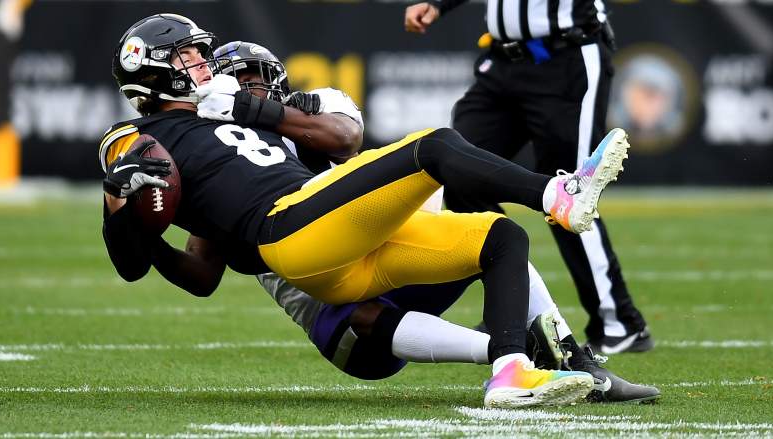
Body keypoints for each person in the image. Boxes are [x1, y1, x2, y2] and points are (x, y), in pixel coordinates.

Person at [100, 14, 629, 408]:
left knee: (500, 237)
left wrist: (246, 108)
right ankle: (556, 193)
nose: (203, 63)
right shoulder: (140, 138)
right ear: (151, 71)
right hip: (288, 229)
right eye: (186, 57)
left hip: (337, 257)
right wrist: (136, 227)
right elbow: (137, 255)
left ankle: (511, 369)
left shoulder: (233, 117)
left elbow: (340, 138)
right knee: (436, 146)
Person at [212, 39, 657, 402]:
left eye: (252, 81)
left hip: (377, 256)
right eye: (234, 84)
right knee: (361, 315)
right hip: (331, 296)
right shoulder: (221, 160)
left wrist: (268, 115)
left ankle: (570, 361)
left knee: (492, 236)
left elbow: (344, 137)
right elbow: (205, 263)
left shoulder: (304, 112)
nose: (244, 91)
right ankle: (512, 351)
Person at [404, 1, 653, 354]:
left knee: (570, 194)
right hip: (502, 63)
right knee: (459, 172)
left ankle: (619, 322)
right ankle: (515, 309)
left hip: (564, 58)